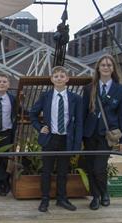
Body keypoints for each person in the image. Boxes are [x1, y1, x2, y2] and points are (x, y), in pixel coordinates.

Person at [30, 66, 83, 212]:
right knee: (46, 171)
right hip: (50, 138)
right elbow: (33, 114)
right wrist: (40, 127)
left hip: (66, 139)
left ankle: (62, 199)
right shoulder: (45, 96)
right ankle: (45, 199)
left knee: (62, 171)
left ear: (67, 79)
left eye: (62, 76)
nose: (59, 78)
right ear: (52, 79)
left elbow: (79, 122)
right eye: (56, 76)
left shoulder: (75, 99)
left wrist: (76, 145)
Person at [82, 54, 122, 210]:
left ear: (113, 68)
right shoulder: (89, 88)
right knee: (90, 166)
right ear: (98, 68)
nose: (106, 67)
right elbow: (83, 113)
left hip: (106, 135)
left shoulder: (121, 90)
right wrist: (79, 135)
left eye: (109, 65)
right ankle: (95, 197)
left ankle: (104, 192)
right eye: (103, 65)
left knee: (99, 167)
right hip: (89, 134)